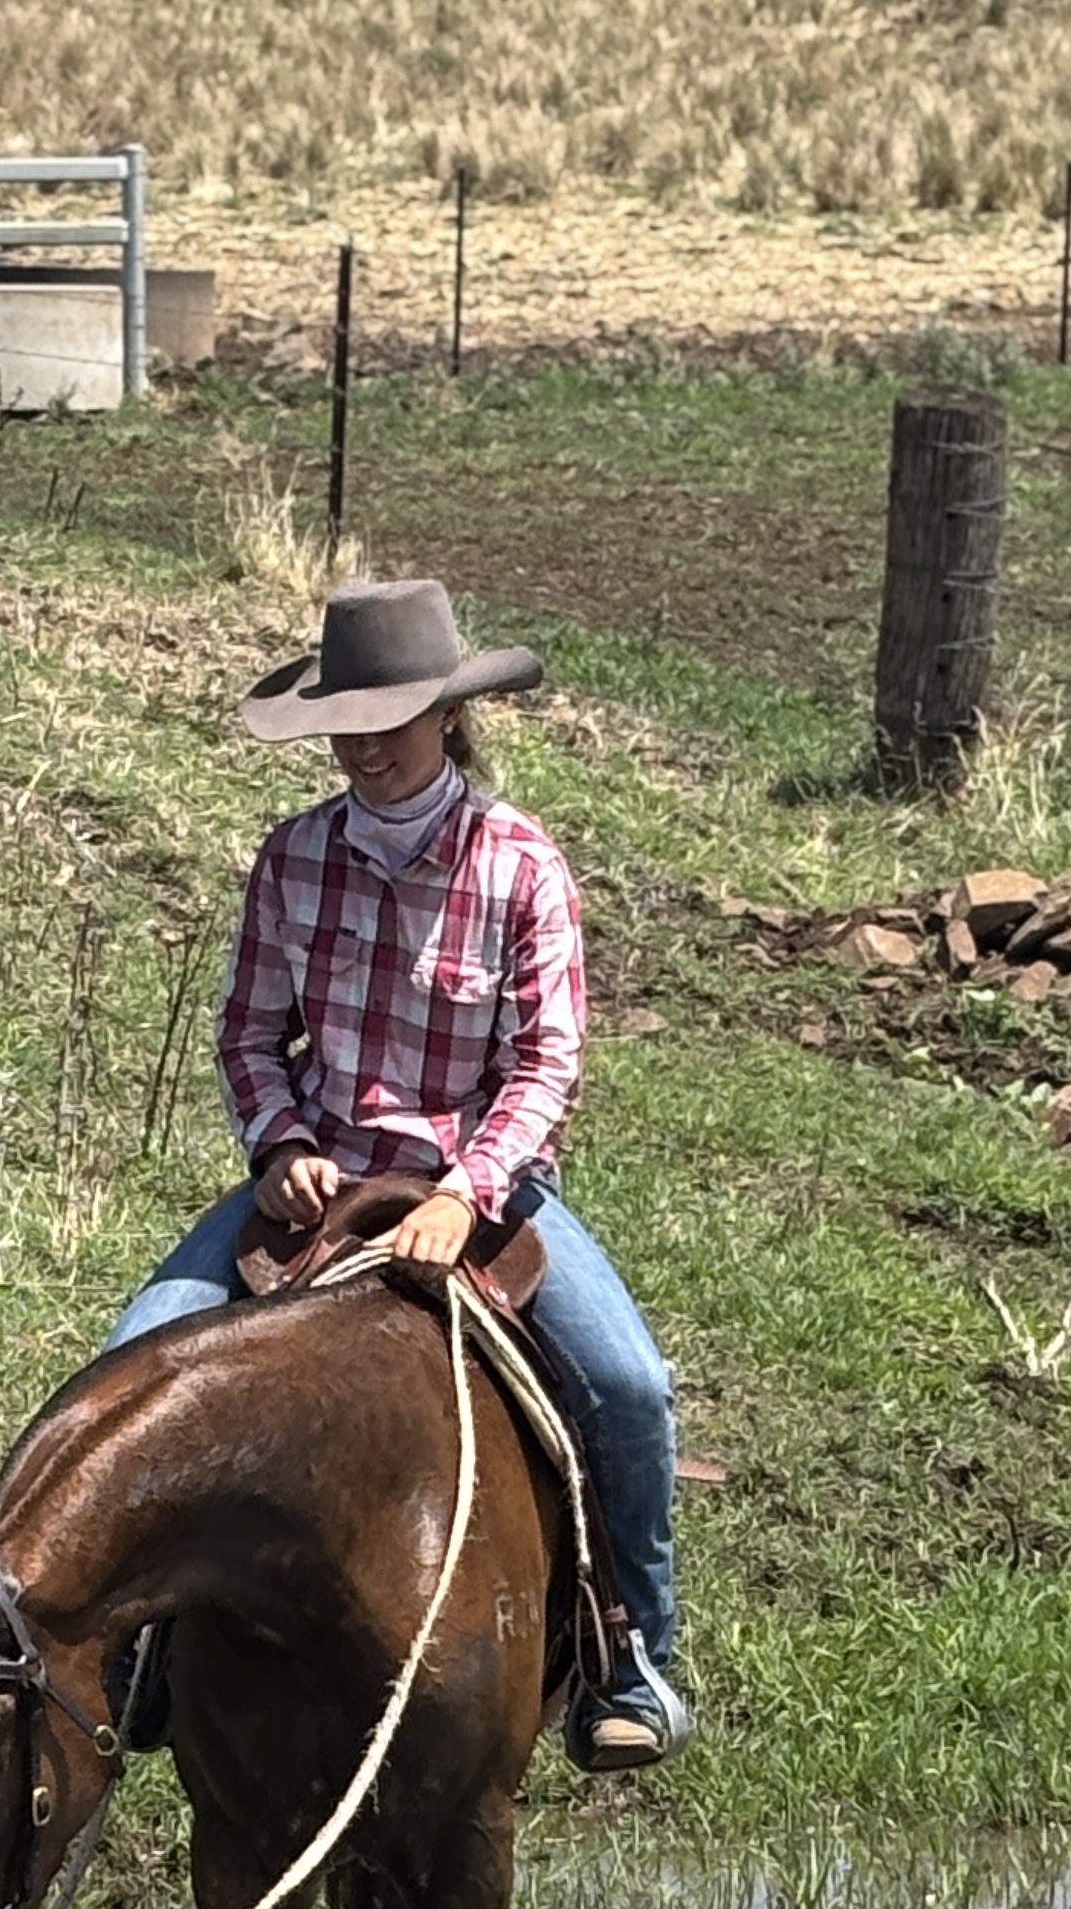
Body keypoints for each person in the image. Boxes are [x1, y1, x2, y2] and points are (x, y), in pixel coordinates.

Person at [107, 576, 687, 1768]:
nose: (366, 746)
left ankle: (631, 1657)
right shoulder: (293, 859)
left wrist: (466, 1193)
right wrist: (281, 1145)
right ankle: (133, 1645)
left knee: (629, 1387)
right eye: (346, 724)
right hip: (318, 1178)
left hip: (482, 1188)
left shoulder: (522, 866)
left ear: (450, 715)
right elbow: (250, 1033)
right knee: (135, 1354)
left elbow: (547, 1062)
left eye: (392, 720)